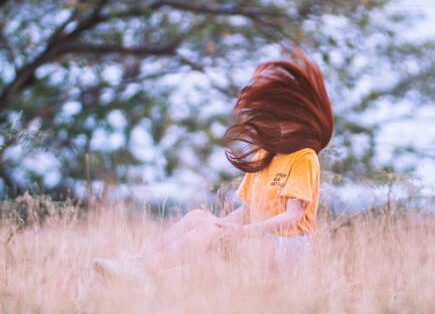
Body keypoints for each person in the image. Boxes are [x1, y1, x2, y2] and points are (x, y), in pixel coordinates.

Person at [93, 43, 334, 281]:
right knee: (200, 218)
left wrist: (242, 233)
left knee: (211, 230)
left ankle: (143, 272)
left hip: (288, 248)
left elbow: (292, 217)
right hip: (259, 239)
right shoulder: (265, 154)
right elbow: (249, 210)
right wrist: (221, 228)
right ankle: (139, 264)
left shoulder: (304, 156)